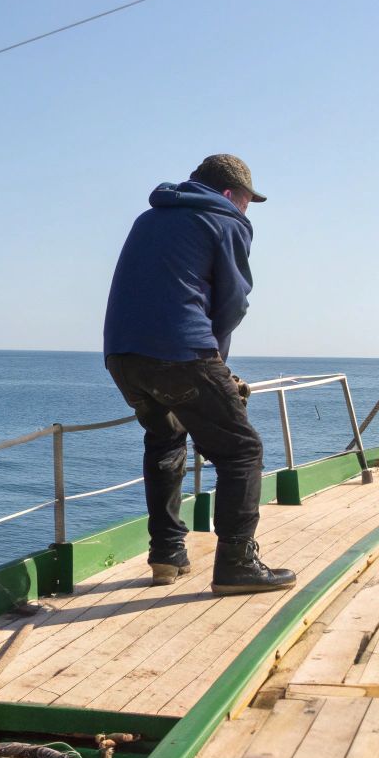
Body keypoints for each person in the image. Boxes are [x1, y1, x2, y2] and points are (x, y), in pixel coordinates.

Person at [102, 154, 296, 596]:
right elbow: (232, 302)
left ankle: (167, 555)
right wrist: (217, 366)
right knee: (242, 451)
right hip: (181, 354)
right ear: (230, 194)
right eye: (247, 200)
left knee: (166, 439)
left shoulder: (147, 218)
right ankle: (236, 563)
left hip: (123, 356)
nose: (247, 209)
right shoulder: (226, 219)